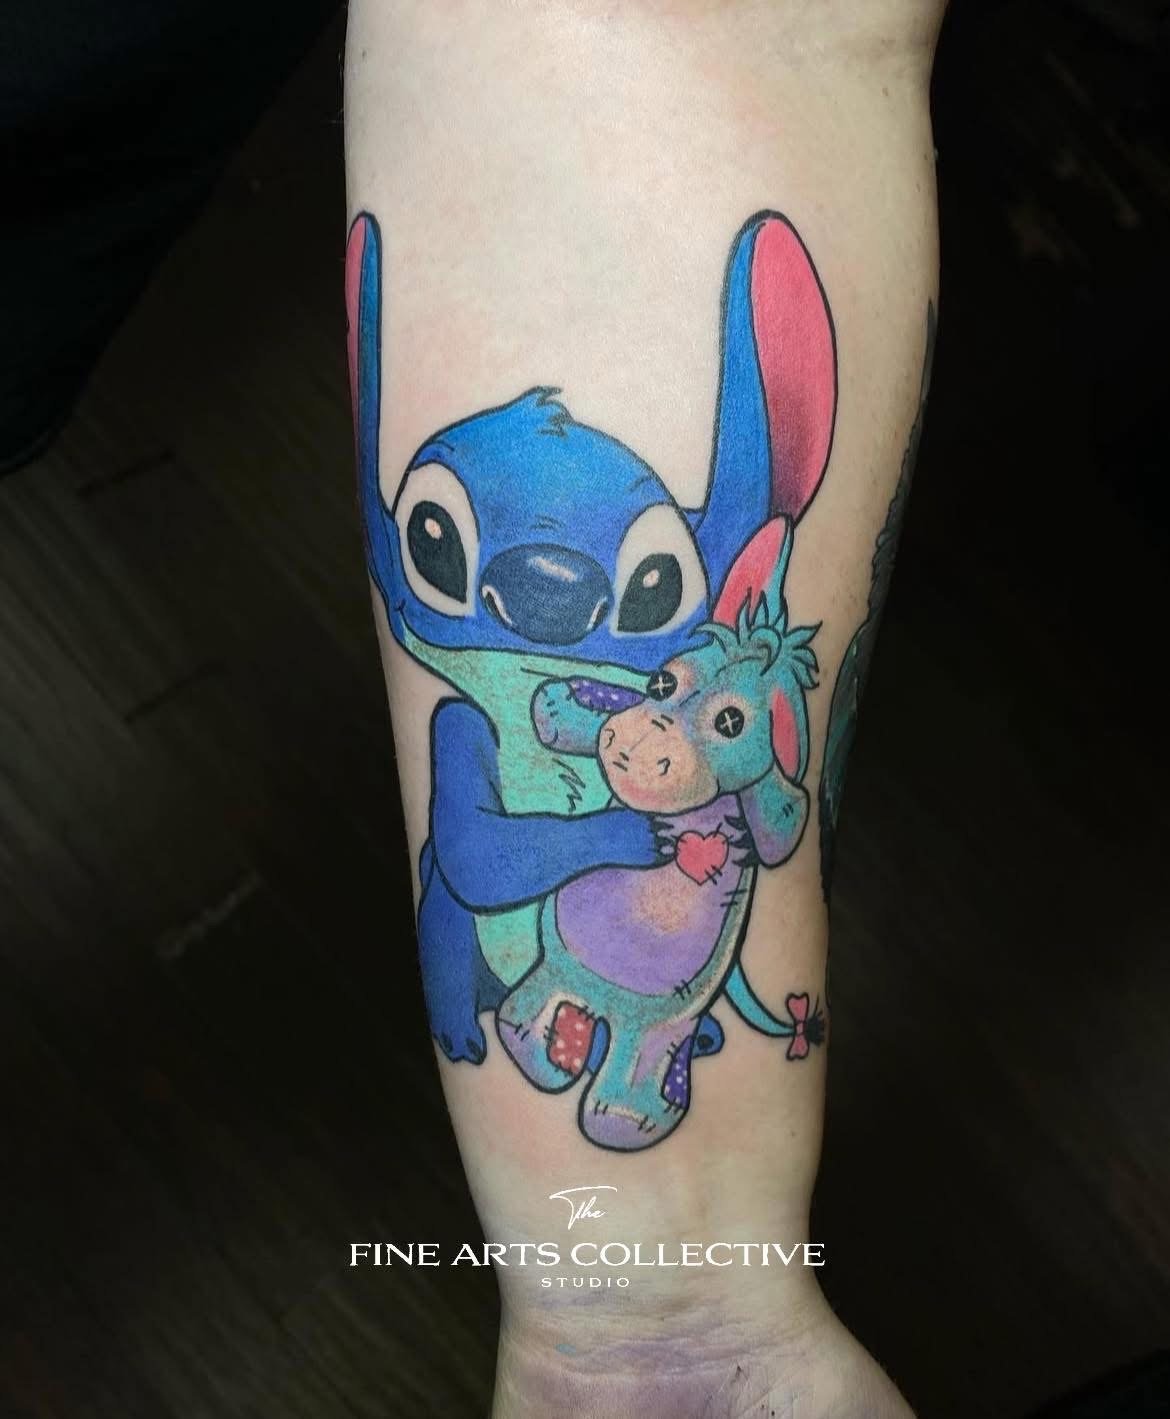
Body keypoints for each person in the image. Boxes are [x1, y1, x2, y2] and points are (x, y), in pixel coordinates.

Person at [344, 3, 946, 1414]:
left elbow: (669, 31)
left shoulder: (678, 705)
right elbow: (479, 857)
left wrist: (658, 1301)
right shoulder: (491, 725)